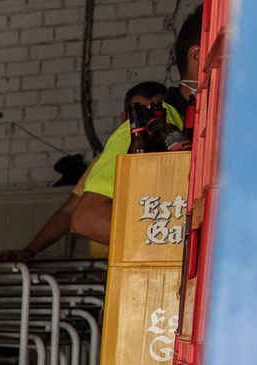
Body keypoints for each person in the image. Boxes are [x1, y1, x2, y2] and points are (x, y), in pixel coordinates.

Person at [0, 82, 171, 262]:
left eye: (155, 112)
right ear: (123, 119)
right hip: (108, 266)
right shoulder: (105, 161)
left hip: (150, 260)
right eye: (139, 113)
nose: (149, 121)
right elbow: (69, 212)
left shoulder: (176, 157)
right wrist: (30, 251)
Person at [71, 8, 203, 244]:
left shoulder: (215, 127)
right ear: (197, 56)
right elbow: (87, 217)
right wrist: (183, 240)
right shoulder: (147, 127)